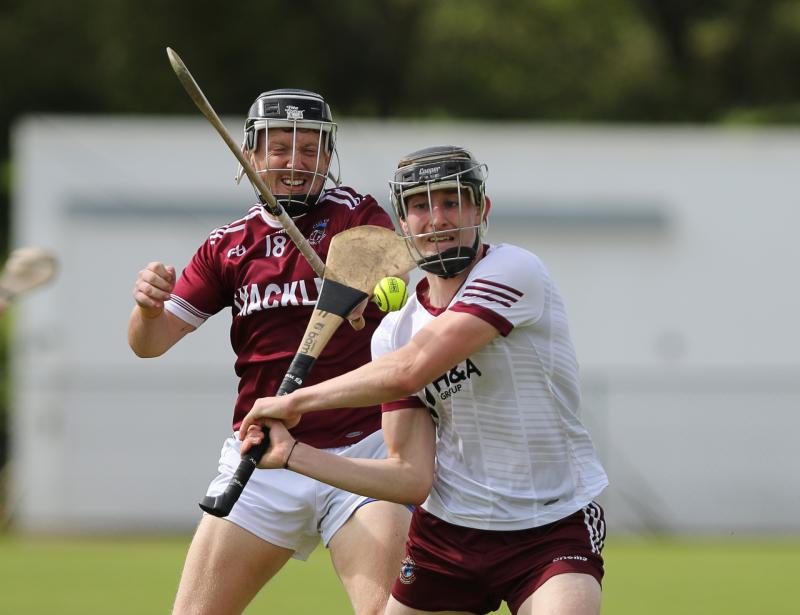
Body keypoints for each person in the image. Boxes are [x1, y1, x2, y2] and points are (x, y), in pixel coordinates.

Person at [239, 145, 610, 615]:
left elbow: (412, 369)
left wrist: (297, 402)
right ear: (403, 223)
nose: (437, 219)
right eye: (420, 205)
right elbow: (410, 477)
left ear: (482, 210)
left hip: (551, 527)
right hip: (449, 537)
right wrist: (293, 454)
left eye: (452, 201)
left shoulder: (515, 271)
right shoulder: (395, 330)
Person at [128, 89, 411, 615]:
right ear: (252, 155)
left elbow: (388, 266)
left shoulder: (357, 215)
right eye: (280, 148)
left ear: (328, 158)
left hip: (360, 453)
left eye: (310, 150)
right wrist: (147, 310)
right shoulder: (227, 245)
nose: (295, 163)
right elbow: (152, 343)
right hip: (261, 457)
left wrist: (366, 287)